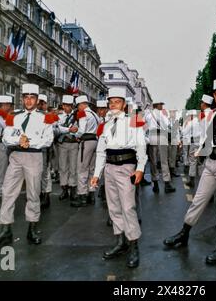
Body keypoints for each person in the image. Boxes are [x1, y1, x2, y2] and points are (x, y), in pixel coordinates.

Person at [163, 79, 216, 265]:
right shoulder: (211, 114)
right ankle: (184, 233)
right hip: (211, 162)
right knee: (199, 199)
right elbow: (207, 138)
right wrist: (202, 153)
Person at [0, 84, 54, 248]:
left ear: (37, 100)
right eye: (26, 97)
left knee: (33, 194)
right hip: (16, 156)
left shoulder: (45, 117)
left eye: (32, 97)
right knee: (8, 191)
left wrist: (29, 142)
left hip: (34, 156)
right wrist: (19, 141)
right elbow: (5, 137)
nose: (29, 100)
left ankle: (32, 228)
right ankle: (5, 229)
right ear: (22, 99)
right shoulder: (14, 116)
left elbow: (48, 139)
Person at [90, 87, 147, 268]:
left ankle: (134, 245)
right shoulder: (105, 125)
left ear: (124, 104)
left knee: (128, 207)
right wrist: (96, 174)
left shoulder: (133, 121)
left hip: (126, 167)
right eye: (111, 102)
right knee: (113, 207)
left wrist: (140, 169)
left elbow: (141, 147)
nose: (113, 105)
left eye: (117, 102)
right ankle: (120, 242)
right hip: (110, 168)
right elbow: (100, 152)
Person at [72, 95, 100, 207]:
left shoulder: (83, 113)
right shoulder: (95, 114)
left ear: (82, 104)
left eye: (78, 106)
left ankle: (82, 195)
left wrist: (74, 134)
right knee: (92, 169)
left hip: (86, 142)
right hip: (95, 141)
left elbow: (81, 131)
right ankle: (91, 194)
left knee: (82, 168)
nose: (78, 108)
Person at [144, 102, 175, 193]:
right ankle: (167, 184)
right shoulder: (161, 113)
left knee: (153, 162)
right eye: (161, 104)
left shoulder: (148, 114)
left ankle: (156, 184)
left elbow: (143, 124)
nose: (162, 106)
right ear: (157, 105)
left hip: (151, 137)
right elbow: (168, 124)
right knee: (164, 161)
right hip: (161, 136)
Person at [57, 95, 79, 201]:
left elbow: (79, 129)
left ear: (72, 106)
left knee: (73, 167)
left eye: (68, 106)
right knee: (63, 167)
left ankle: (73, 189)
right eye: (65, 105)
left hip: (74, 143)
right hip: (63, 143)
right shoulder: (60, 117)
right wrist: (69, 129)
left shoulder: (77, 116)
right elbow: (57, 128)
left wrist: (72, 130)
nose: (66, 107)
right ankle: (64, 188)